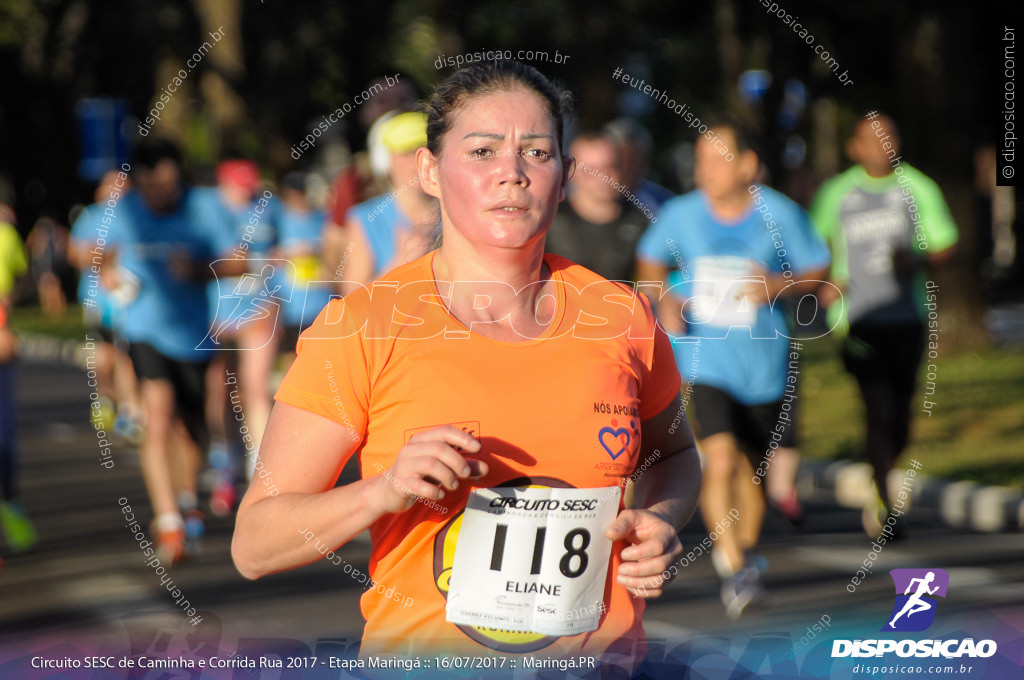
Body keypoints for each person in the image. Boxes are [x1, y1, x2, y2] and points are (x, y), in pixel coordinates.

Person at [233, 60, 701, 672]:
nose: (511, 173)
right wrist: (383, 491)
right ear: (429, 171)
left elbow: (674, 455)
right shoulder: (365, 324)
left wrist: (661, 520)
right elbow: (255, 544)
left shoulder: (620, 315)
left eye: (537, 152)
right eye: (481, 151)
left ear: (562, 178)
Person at [636, 117, 830, 619]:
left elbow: (817, 268)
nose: (706, 169)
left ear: (748, 164)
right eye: (700, 159)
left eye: (718, 158)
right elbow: (650, 262)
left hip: (765, 363)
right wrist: (666, 303)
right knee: (718, 459)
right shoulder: (680, 215)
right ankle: (733, 566)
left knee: (752, 469)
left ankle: (744, 549)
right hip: (705, 359)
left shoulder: (778, 213)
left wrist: (778, 285)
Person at [811, 113, 957, 537]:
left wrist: (916, 260)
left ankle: (883, 480)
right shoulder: (836, 193)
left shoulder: (919, 187)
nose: (883, 145)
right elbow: (811, 245)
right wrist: (825, 281)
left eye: (890, 136)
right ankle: (885, 503)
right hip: (855, 321)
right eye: (872, 139)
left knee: (902, 412)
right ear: (854, 147)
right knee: (878, 407)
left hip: (907, 317)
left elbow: (946, 243)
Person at [104, 138, 242, 563]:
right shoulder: (124, 210)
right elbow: (96, 255)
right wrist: (108, 274)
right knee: (158, 417)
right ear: (140, 182)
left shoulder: (204, 207)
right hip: (145, 329)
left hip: (195, 337)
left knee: (192, 430)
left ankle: (185, 499)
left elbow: (240, 261)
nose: (162, 193)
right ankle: (169, 523)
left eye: (169, 184)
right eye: (153, 186)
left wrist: (200, 270)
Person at [68, 170, 142, 441]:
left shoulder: (138, 215)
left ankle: (129, 412)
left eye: (123, 187)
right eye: (111, 187)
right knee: (105, 355)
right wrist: (106, 259)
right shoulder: (92, 216)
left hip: (131, 300)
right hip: (98, 298)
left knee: (126, 356)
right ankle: (105, 397)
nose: (117, 192)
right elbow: (75, 252)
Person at [336, 111, 438, 294]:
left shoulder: (457, 209)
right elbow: (352, 299)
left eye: (427, 151)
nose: (419, 161)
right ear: (384, 160)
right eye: (407, 152)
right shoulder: (364, 218)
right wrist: (400, 263)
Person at [545, 130, 652, 281]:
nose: (603, 178)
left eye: (610, 167)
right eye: (591, 171)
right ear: (571, 171)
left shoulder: (640, 222)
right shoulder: (548, 220)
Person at [0, 204, 37, 561]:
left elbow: (25, 275)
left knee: (5, 439)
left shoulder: (6, 236)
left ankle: (9, 502)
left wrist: (11, 299)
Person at [273, 171, 332, 359]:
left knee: (323, 359)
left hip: (323, 303)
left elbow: (337, 250)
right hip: (291, 309)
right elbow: (269, 257)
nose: (299, 197)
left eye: (302, 192)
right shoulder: (278, 221)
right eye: (294, 193)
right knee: (293, 361)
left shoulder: (323, 218)